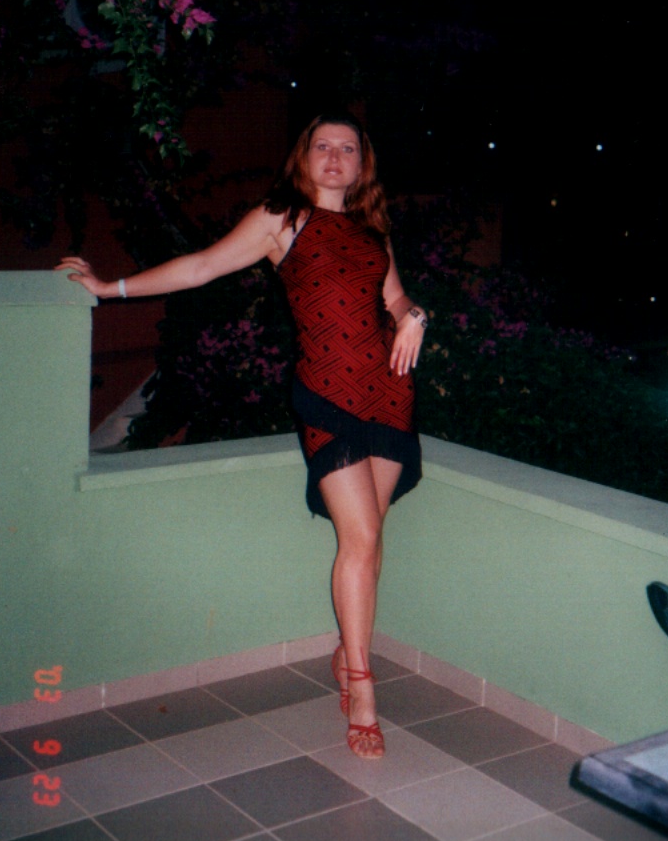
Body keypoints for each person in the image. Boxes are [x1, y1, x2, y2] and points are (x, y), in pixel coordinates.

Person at [56, 113, 427, 759]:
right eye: (322, 146)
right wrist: (109, 288)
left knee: (371, 542)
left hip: (389, 394)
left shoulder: (374, 229)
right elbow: (201, 267)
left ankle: (347, 651)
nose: (334, 156)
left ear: (362, 164)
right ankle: (362, 689)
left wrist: (413, 314)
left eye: (347, 148)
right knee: (360, 539)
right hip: (326, 394)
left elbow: (393, 298)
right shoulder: (281, 220)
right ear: (303, 157)